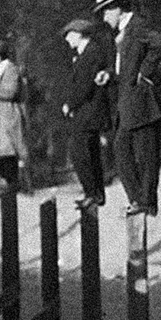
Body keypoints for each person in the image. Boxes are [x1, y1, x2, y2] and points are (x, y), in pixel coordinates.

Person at [94, 0, 161, 217]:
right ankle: (137, 198)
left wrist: (144, 72)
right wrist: (109, 73)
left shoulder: (137, 26)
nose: (105, 19)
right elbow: (124, 66)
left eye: (106, 13)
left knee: (146, 155)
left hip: (143, 102)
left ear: (117, 8)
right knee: (121, 149)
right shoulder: (123, 33)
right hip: (128, 103)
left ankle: (146, 201)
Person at [60, 17, 114, 210]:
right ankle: (94, 193)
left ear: (78, 34)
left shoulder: (91, 53)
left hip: (89, 111)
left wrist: (70, 104)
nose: (67, 40)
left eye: (69, 36)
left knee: (80, 152)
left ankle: (93, 192)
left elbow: (84, 86)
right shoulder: (87, 53)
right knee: (87, 152)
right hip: (87, 111)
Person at [0, 38, 29, 195]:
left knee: (9, 153)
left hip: (9, 117)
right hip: (2, 119)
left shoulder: (10, 69)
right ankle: (11, 185)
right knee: (3, 154)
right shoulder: (1, 71)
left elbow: (10, 91)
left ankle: (15, 184)